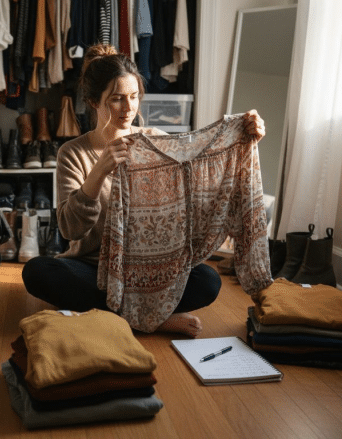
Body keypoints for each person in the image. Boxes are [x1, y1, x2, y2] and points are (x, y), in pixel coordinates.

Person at [22, 44, 265, 337]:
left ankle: (115, 318)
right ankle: (152, 319)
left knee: (208, 280)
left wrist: (242, 142)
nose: (128, 108)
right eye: (117, 99)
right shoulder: (72, 153)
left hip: (155, 271)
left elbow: (204, 192)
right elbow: (70, 230)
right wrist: (99, 171)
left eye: (134, 97)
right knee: (38, 272)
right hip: (94, 268)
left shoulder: (157, 141)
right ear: (93, 102)